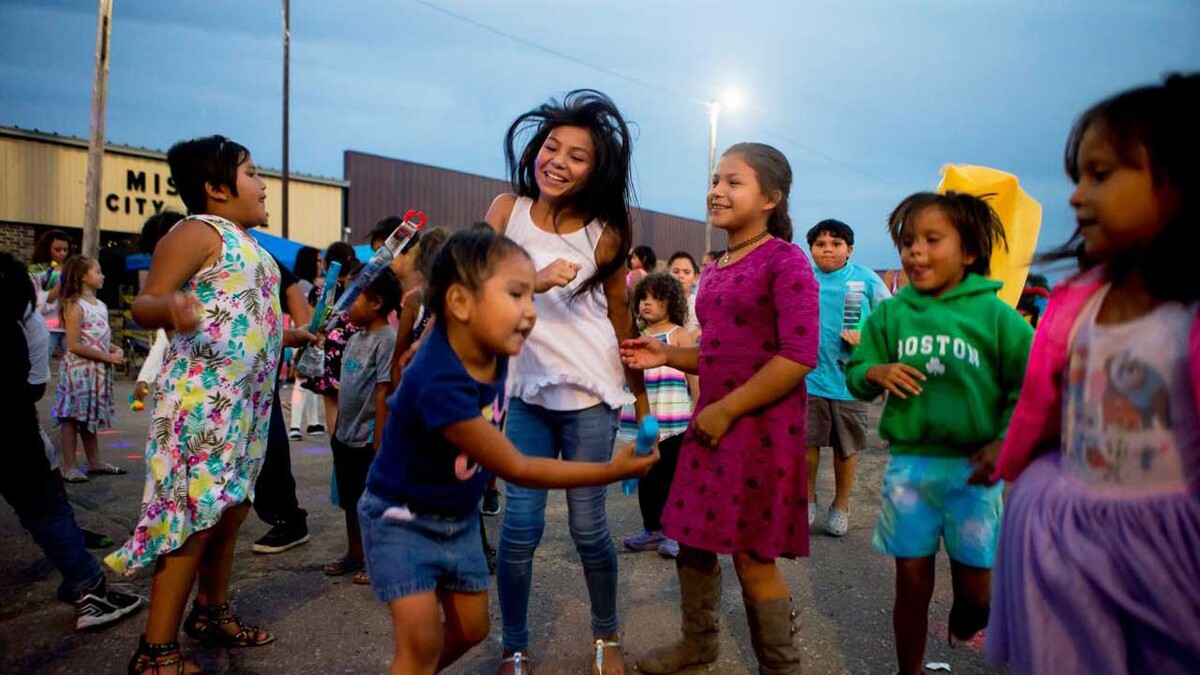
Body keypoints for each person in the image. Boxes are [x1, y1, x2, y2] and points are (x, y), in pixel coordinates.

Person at [359, 225, 657, 675]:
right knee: (419, 643)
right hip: (402, 520)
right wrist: (613, 470)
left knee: (472, 631)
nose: (530, 313)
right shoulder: (441, 380)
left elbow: (492, 294)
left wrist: (532, 282)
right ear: (461, 304)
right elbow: (517, 467)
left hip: (456, 519)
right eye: (516, 297)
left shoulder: (490, 342)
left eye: (529, 297)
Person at [987, 73, 1200, 674]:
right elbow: (1047, 404)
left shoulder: (1187, 314)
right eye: (1077, 176)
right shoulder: (1080, 302)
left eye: (1100, 175)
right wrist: (1011, 460)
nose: (1077, 196)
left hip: (1169, 548)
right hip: (1072, 536)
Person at [621, 142, 817, 674]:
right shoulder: (719, 264)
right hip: (714, 424)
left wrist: (726, 410)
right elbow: (719, 351)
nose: (717, 190)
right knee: (692, 538)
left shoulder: (786, 260)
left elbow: (798, 357)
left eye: (734, 181)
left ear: (771, 197)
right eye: (715, 179)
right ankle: (698, 644)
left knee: (753, 559)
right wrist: (666, 352)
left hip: (759, 429)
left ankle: (781, 668)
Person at [482, 89, 652, 674]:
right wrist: (533, 277)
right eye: (552, 147)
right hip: (525, 393)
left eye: (577, 156)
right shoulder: (507, 210)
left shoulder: (606, 232)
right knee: (519, 529)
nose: (558, 161)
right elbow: (474, 282)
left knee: (588, 526)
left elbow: (621, 320)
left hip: (590, 395)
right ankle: (516, 646)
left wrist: (645, 408)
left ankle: (606, 635)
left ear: (596, 169)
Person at [104, 135, 288, 673]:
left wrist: (291, 334)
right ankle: (155, 652)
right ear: (214, 188)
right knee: (193, 519)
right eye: (251, 173)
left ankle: (210, 611)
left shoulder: (248, 240)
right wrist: (172, 308)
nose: (261, 184)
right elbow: (144, 303)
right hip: (202, 404)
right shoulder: (196, 231)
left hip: (246, 405)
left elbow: (244, 308)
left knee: (231, 509)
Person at [844, 191, 1033, 675]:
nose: (915, 252)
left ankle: (968, 615)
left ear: (968, 251)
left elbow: (1029, 385)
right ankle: (909, 669)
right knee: (910, 580)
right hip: (910, 467)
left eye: (932, 240)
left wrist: (1005, 441)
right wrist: (875, 372)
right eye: (908, 242)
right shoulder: (891, 314)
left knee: (975, 591)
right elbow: (857, 371)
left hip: (975, 471)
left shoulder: (997, 317)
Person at [0, 251, 144, 630]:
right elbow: (34, 385)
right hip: (13, 433)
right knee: (45, 507)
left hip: (17, 428)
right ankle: (87, 590)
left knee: (47, 502)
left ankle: (86, 587)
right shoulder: (28, 321)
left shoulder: (33, 319)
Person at [804, 219, 891, 536]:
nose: (828, 250)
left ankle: (841, 505)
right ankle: (807, 498)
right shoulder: (803, 278)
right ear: (811, 249)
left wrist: (866, 339)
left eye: (836, 244)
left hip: (850, 381)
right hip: (808, 377)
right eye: (821, 244)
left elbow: (890, 319)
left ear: (849, 250)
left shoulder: (865, 279)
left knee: (846, 449)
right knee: (806, 445)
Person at [324, 269, 399, 585]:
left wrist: (380, 437)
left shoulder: (387, 340)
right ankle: (355, 552)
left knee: (373, 503)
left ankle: (376, 558)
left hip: (369, 438)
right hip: (345, 435)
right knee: (350, 500)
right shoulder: (355, 338)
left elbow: (384, 390)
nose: (346, 305)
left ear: (377, 303)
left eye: (353, 297)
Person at [618, 272, 697, 560]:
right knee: (646, 478)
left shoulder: (678, 334)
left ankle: (674, 532)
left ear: (672, 303)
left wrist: (698, 407)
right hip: (643, 422)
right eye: (644, 298)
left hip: (675, 422)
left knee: (672, 477)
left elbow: (693, 374)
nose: (648, 304)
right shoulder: (635, 336)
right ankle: (651, 529)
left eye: (657, 298)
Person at [51, 255, 125, 483]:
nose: (102, 275)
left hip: (96, 372)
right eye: (98, 271)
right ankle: (69, 466)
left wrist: (116, 349)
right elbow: (74, 345)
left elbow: (99, 339)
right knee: (72, 418)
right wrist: (107, 356)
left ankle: (94, 461)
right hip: (78, 373)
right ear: (83, 276)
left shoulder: (100, 305)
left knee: (89, 417)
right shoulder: (74, 305)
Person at [302, 241, 360, 436]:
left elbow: (312, 324)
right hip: (357, 349)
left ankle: (337, 448)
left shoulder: (319, 291)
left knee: (332, 404)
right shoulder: (359, 289)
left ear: (328, 264)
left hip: (330, 351)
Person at [289, 245, 325, 440]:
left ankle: (313, 422)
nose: (321, 265)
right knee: (303, 379)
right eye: (318, 260)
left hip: (303, 333)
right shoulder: (305, 287)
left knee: (310, 378)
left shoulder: (304, 284)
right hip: (304, 334)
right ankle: (295, 426)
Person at [29, 229, 72, 359]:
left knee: (74, 363)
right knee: (39, 360)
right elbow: (43, 298)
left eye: (65, 250)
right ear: (47, 249)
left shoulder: (72, 267)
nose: (62, 253)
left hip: (69, 324)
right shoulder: (38, 269)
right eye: (57, 249)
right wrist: (60, 282)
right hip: (46, 323)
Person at [666, 251, 700, 335]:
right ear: (667, 275)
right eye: (676, 272)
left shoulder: (698, 306)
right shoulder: (658, 301)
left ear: (695, 278)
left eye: (686, 272)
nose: (681, 276)